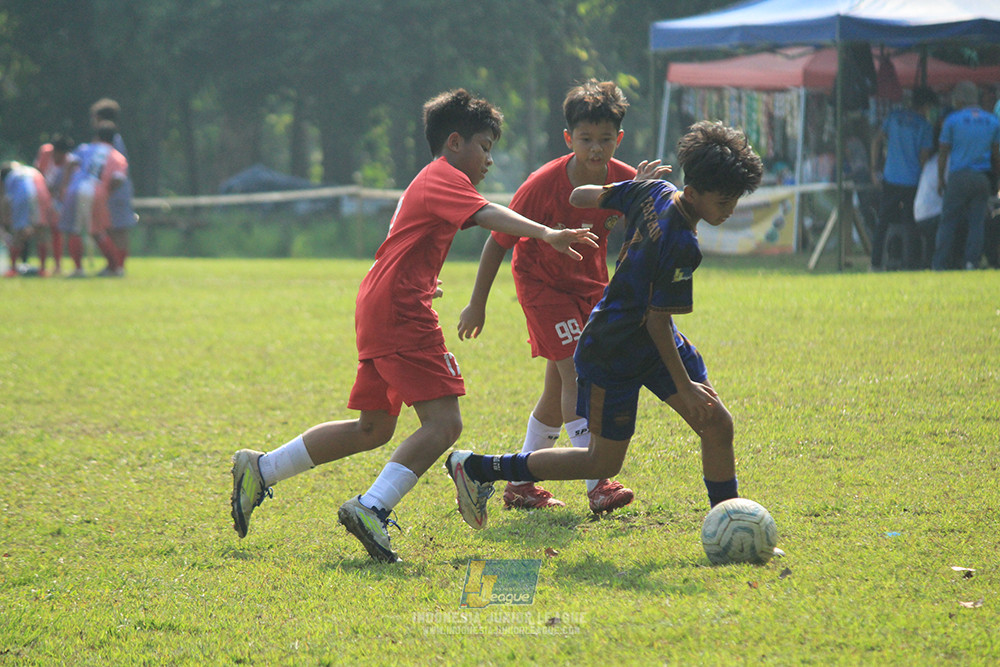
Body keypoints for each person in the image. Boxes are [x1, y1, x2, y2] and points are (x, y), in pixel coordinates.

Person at [229, 89, 598, 563]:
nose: (489, 158)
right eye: (484, 147)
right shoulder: (445, 175)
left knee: (373, 428)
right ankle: (371, 507)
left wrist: (421, 281)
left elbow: (408, 240)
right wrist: (546, 232)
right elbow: (487, 215)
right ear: (453, 142)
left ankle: (262, 469)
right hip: (400, 312)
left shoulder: (431, 180)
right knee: (444, 424)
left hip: (383, 303)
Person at [445, 120, 763, 532]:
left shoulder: (655, 190)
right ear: (696, 190)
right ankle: (479, 468)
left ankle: (730, 522)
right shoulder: (682, 244)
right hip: (615, 347)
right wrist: (683, 386)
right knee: (601, 461)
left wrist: (632, 190)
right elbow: (657, 319)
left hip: (648, 338)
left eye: (735, 200)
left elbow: (581, 195)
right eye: (723, 202)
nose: (730, 211)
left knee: (716, 423)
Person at [458, 80, 668, 513]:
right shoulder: (541, 186)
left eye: (605, 140)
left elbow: (660, 223)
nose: (596, 149)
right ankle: (598, 481)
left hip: (591, 288)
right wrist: (477, 302)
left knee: (558, 388)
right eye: (586, 139)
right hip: (541, 286)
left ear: (619, 139)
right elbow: (498, 241)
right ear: (568, 138)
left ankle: (519, 482)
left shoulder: (626, 180)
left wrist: (652, 195)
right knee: (578, 372)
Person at [934, 81, 1000, 270]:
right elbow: (997, 155)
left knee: (948, 221)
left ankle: (940, 263)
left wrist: (940, 178)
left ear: (961, 99)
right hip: (982, 178)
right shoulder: (992, 121)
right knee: (976, 222)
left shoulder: (952, 120)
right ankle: (972, 262)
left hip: (959, 176)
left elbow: (943, 153)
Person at [869, 86, 937, 271]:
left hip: (890, 178)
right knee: (910, 224)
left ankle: (875, 263)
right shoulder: (925, 126)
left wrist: (874, 169)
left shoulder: (894, 117)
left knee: (882, 221)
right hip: (913, 181)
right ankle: (910, 263)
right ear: (925, 106)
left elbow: (876, 141)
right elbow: (924, 158)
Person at [59, 121, 129, 277]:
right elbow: (118, 178)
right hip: (97, 190)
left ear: (97, 136)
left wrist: (65, 185)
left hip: (77, 188)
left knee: (75, 229)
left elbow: (70, 162)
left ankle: (78, 269)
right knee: (98, 230)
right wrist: (107, 191)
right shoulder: (117, 156)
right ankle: (115, 267)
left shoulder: (85, 148)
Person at [90, 99, 138, 276]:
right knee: (112, 228)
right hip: (113, 190)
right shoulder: (112, 139)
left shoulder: (111, 141)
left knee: (118, 229)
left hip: (116, 190)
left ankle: (118, 267)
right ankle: (115, 266)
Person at [1, 161, 55, 277]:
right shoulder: (32, 170)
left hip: (22, 194)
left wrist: (6, 220)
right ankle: (42, 269)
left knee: (18, 233)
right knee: (41, 230)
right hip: (41, 193)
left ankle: (13, 269)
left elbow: (6, 200)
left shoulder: (11, 176)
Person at [34, 134, 76, 275]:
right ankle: (42, 266)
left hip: (57, 199)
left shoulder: (69, 161)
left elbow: (65, 185)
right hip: (41, 195)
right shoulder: (45, 153)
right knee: (40, 230)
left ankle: (57, 265)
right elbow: (38, 173)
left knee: (56, 231)